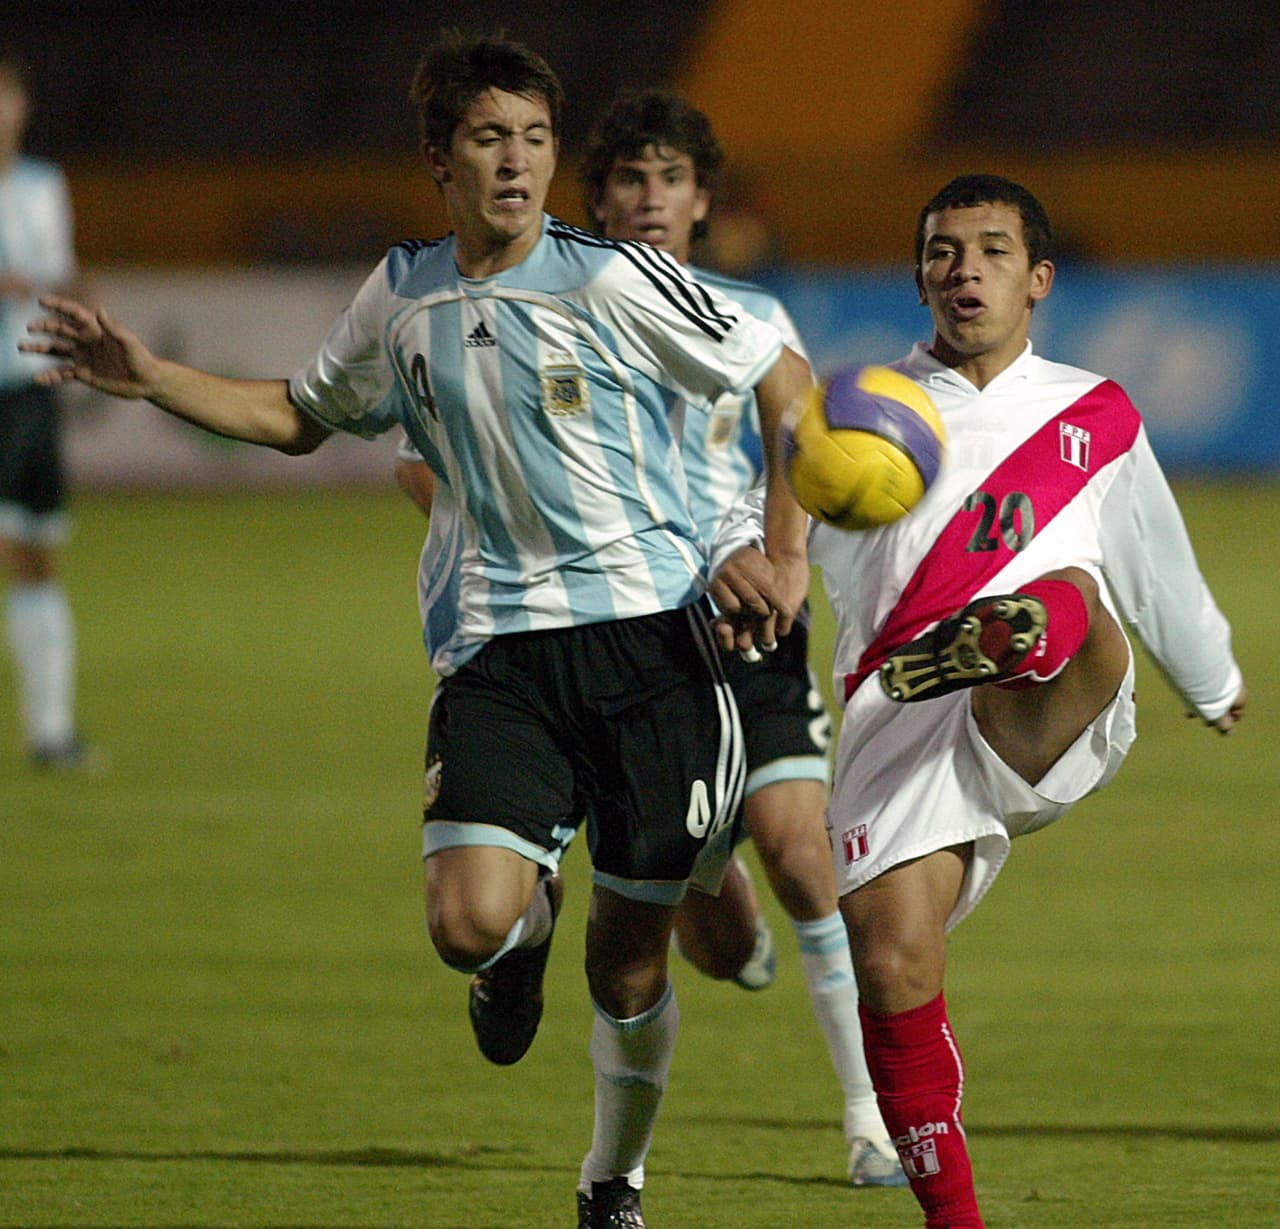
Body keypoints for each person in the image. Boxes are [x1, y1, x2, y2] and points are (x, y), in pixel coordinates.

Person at [22, 33, 813, 1229]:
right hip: (499, 654)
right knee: (463, 922)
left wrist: (786, 547)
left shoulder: (611, 279)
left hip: (655, 651)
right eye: (491, 138)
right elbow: (298, 413)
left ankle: (611, 1181)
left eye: (537, 139)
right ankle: (517, 927)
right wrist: (148, 375)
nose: (517, 163)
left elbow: (782, 376)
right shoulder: (400, 294)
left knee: (630, 963)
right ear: (438, 158)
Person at [710, 173, 1246, 1228]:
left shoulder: (1091, 411)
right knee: (891, 957)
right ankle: (953, 1219)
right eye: (943, 253)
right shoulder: (851, 411)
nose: (965, 271)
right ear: (918, 278)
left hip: (1051, 704)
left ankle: (1012, 632)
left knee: (1075, 598)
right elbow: (756, 520)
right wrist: (747, 557)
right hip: (894, 706)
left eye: (992, 251)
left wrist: (1210, 675)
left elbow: (1155, 565)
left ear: (1038, 278)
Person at [577, 86, 904, 1188]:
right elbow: (424, 454)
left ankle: (867, 1118)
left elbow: (799, 437)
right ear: (600, 198)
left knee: (804, 851)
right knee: (710, 939)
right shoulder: (550, 313)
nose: (650, 196)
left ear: (702, 198)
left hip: (752, 617)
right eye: (628, 177)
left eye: (669, 177)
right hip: (629, 635)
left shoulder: (753, 318)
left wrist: (789, 557)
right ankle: (731, 931)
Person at [0, 49, 90, 769]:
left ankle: (51, 731)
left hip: (33, 388)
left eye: (7, 95)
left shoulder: (41, 184)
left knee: (37, 552)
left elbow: (60, 273)